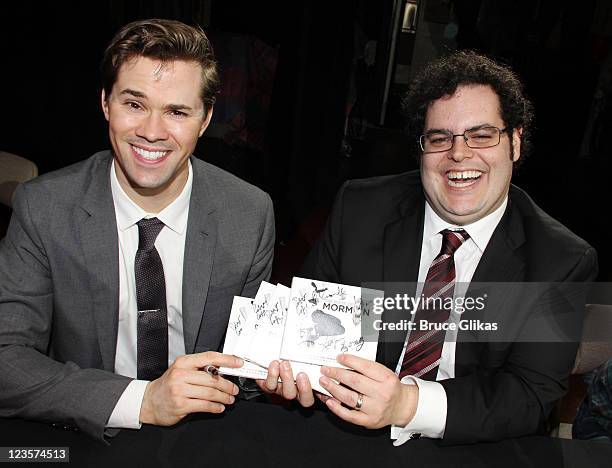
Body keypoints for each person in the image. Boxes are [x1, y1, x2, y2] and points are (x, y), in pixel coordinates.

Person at [259, 50, 598, 445]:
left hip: (475, 447)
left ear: (515, 143)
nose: (459, 153)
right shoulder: (361, 209)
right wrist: (292, 369)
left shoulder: (561, 260)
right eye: (440, 138)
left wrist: (407, 404)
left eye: (482, 135)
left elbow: (528, 395)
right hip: (346, 432)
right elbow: (308, 333)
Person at [0, 19, 274, 441]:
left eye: (177, 111)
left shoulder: (249, 213)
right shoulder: (45, 207)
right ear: (106, 103)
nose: (151, 131)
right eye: (134, 104)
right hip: (86, 430)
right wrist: (142, 401)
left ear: (205, 120)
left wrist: (276, 373)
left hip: (203, 435)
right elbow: (6, 359)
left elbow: (250, 369)